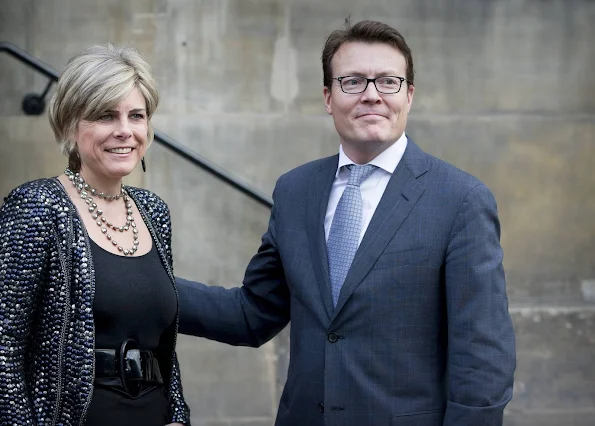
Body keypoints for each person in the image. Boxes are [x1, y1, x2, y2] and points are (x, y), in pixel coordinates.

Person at [176, 19, 516, 426]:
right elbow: (252, 313)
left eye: (388, 82)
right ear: (327, 96)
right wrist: (144, 284)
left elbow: (483, 360)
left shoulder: (460, 200)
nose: (371, 96)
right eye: (352, 81)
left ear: (409, 96)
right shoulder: (296, 190)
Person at [0, 45, 190, 426]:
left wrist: (179, 415)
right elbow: (4, 347)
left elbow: (164, 346)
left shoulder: (153, 212)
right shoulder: (37, 207)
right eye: (105, 115)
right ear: (71, 125)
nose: (125, 130)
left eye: (136, 115)